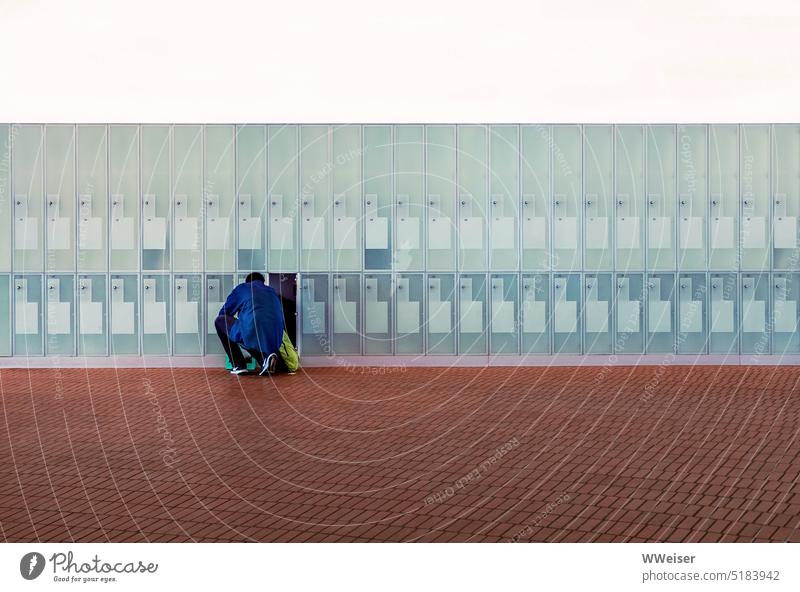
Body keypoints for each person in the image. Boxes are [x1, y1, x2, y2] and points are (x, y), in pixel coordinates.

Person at [215, 272, 284, 375]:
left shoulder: (242, 288)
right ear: (262, 282)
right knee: (255, 333)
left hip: (252, 332)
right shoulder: (272, 291)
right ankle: (265, 360)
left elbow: (224, 312)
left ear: (247, 282)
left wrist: (240, 316)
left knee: (220, 321)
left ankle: (238, 365)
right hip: (276, 339)